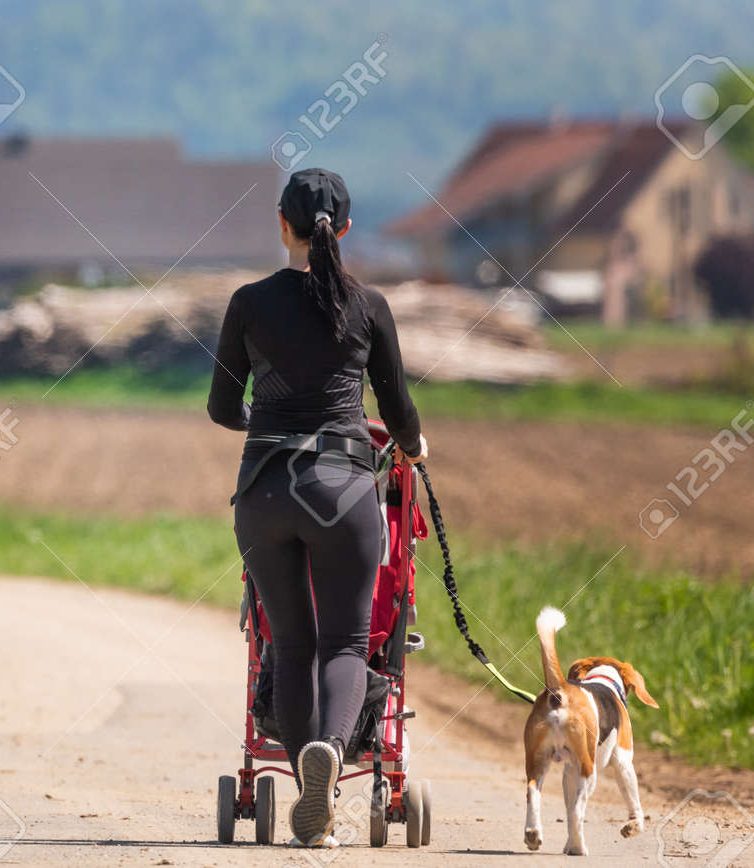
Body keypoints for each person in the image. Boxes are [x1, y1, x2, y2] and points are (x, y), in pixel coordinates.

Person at [207, 168, 427, 847]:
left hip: (266, 492)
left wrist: (270, 425)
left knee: (289, 640)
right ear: (348, 229)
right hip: (344, 489)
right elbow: (397, 412)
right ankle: (329, 759)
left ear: (282, 224)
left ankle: (312, 798)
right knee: (346, 643)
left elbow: (221, 407)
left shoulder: (248, 302)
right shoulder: (368, 305)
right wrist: (414, 449)